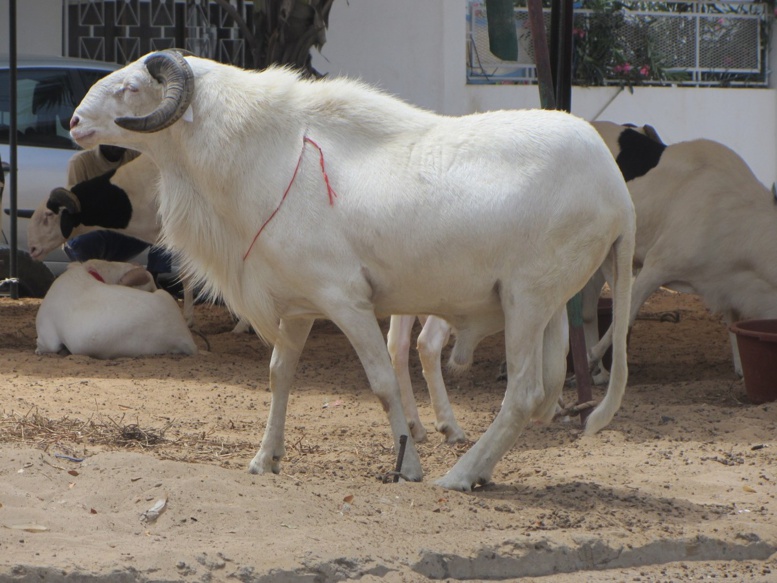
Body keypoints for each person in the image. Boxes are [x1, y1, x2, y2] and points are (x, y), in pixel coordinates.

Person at [63, 145, 173, 280]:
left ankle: (153, 277)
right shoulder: (80, 162)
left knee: (164, 224)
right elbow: (74, 207)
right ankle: (91, 281)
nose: (117, 145)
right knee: (80, 243)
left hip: (125, 230)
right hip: (93, 232)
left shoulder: (134, 156)